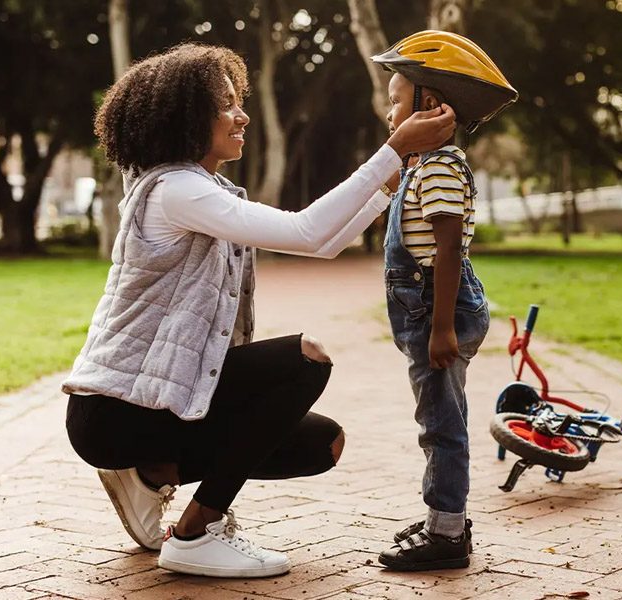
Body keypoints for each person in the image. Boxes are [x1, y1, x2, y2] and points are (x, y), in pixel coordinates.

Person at [61, 42, 456, 579]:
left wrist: (396, 169)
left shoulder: (203, 187)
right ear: (187, 116)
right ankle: (197, 534)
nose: (241, 114)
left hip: (156, 402)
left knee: (322, 443)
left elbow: (327, 241)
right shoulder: (175, 190)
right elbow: (307, 231)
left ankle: (154, 474)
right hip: (114, 411)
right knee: (306, 359)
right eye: (227, 104)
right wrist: (392, 149)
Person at [369, 31, 518, 571]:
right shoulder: (420, 165)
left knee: (441, 423)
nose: (388, 114)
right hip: (433, 308)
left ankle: (447, 532)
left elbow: (449, 248)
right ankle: (442, 519)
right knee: (440, 414)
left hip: (440, 309)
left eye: (394, 101)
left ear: (429, 104)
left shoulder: (437, 166)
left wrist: (440, 330)